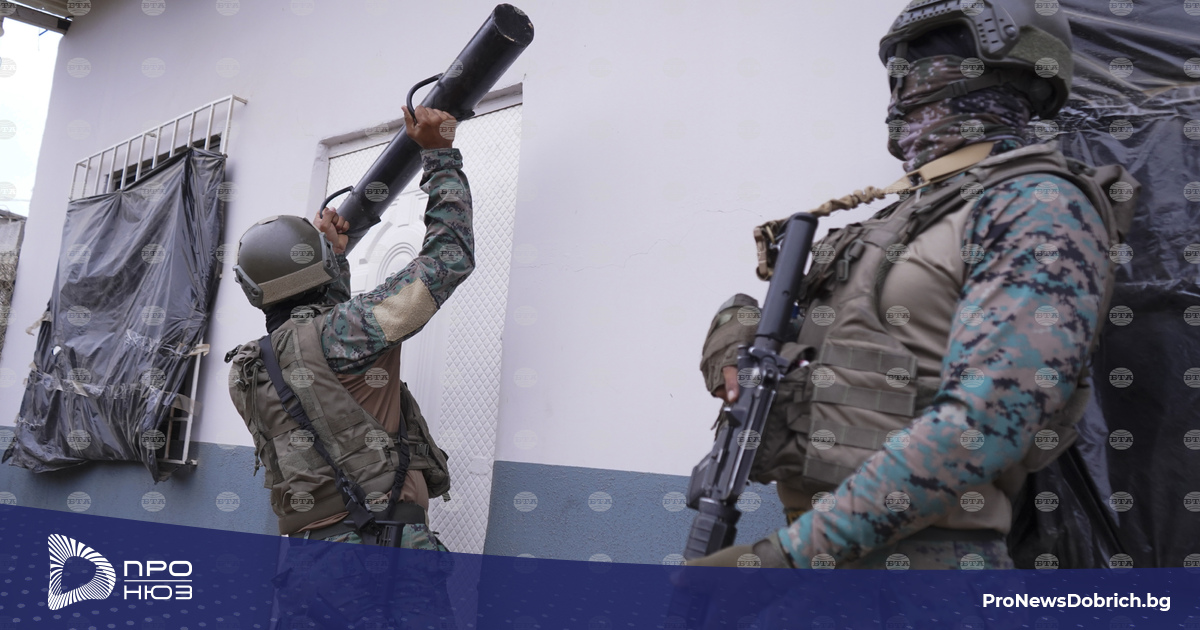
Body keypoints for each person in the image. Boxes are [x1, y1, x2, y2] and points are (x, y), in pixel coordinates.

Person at [688, 0, 1135, 570]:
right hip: (821, 560)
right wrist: (735, 330)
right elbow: (824, 345)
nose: (905, 83)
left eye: (930, 56)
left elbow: (984, 424)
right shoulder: (903, 216)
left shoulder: (1038, 206)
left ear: (1012, 69)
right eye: (899, 65)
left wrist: (785, 561)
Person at [225, 106, 468, 624]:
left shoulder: (248, 370)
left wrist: (333, 260)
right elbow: (449, 259)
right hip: (384, 559)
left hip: (312, 565)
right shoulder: (344, 335)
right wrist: (440, 155)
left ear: (253, 291)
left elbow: (319, 367)